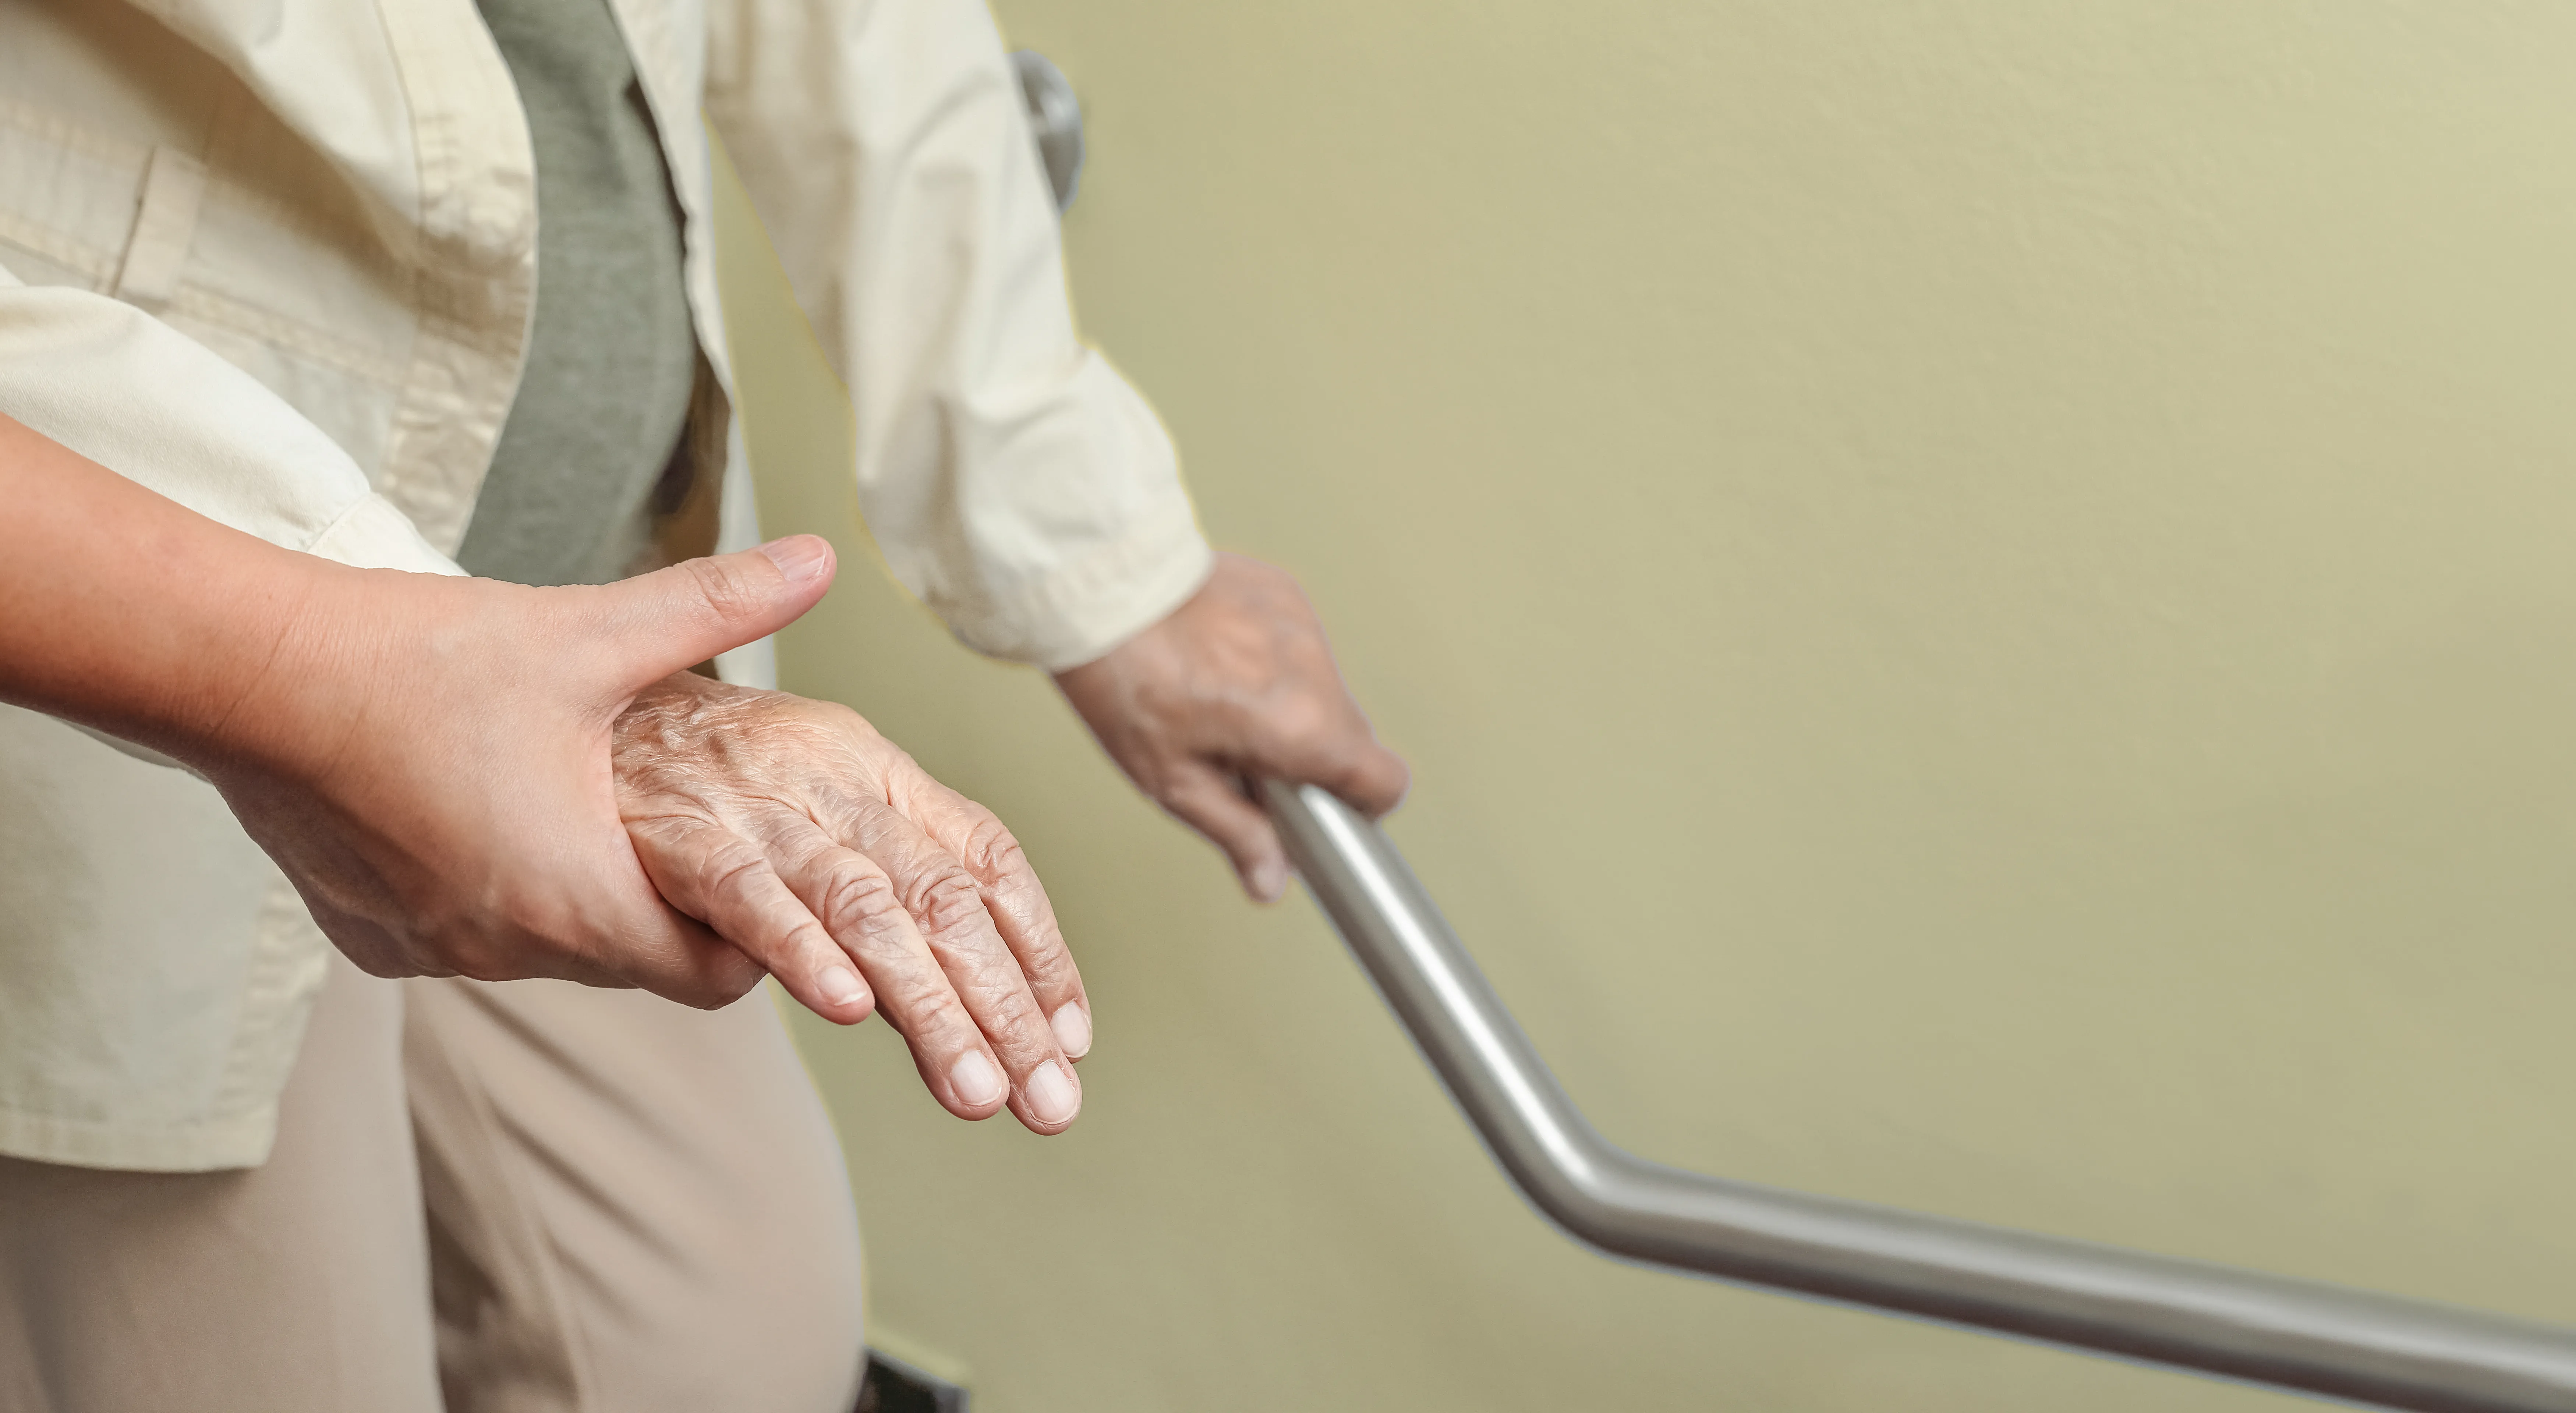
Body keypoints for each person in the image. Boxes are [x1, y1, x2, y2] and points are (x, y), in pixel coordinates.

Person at [0, 2, 1406, 1410]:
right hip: (145, 646)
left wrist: (1086, 545)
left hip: (578, 629)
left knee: (725, 1349)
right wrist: (322, 660)